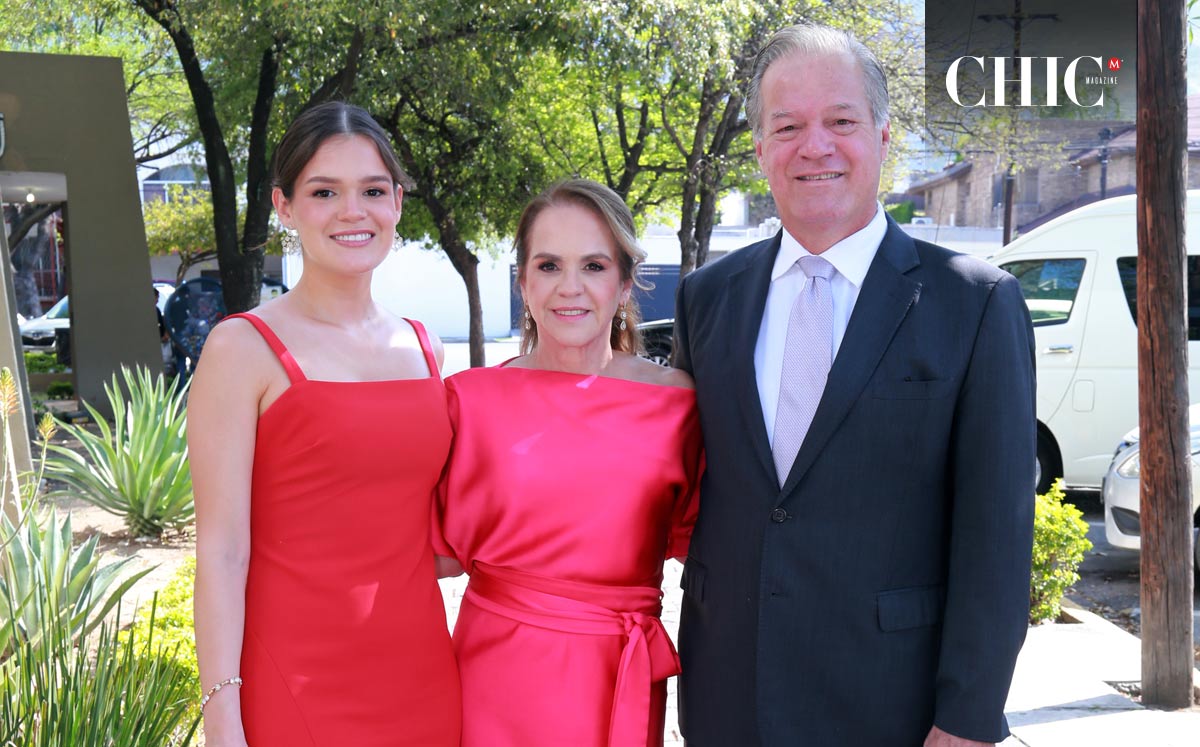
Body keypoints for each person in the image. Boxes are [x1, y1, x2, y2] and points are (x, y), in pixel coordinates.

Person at [672, 24, 1036, 747]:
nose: (816, 146)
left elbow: (996, 538)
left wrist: (965, 721)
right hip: (728, 696)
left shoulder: (976, 303)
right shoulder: (705, 298)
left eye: (840, 121)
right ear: (759, 148)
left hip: (892, 706)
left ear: (882, 134)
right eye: (788, 126)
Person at [189, 101, 460, 747]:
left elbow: (439, 538)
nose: (352, 211)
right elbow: (223, 551)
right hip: (297, 681)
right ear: (285, 206)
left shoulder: (426, 348)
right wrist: (222, 717)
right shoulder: (243, 346)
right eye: (323, 191)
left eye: (372, 190)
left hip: (422, 672)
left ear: (397, 201)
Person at [434, 178, 703, 747]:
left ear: (626, 281)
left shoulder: (678, 404)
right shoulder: (467, 400)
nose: (570, 288)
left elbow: (722, 555)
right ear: (524, 282)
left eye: (595, 266)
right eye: (550, 265)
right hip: (491, 686)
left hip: (618, 680)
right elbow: (427, 560)